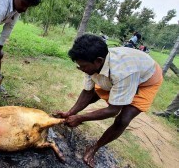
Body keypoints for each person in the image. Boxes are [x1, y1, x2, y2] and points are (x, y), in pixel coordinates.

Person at [55, 34, 163, 167]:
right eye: (79, 66)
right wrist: (70, 113)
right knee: (95, 93)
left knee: (123, 119)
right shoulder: (92, 64)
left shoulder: (122, 73)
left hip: (146, 80)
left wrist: (80, 118)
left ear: (98, 61)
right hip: (125, 74)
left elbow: (113, 110)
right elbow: (88, 92)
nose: (81, 69)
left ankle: (94, 148)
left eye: (83, 66)